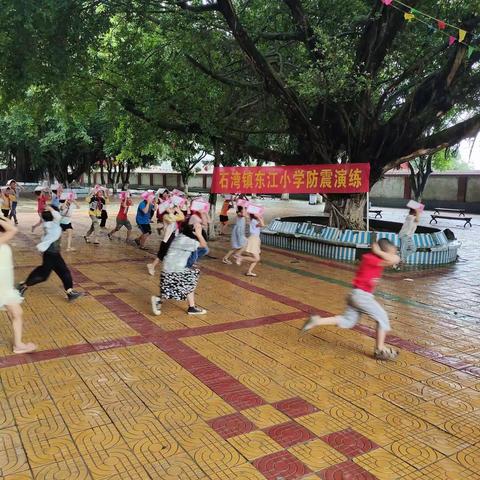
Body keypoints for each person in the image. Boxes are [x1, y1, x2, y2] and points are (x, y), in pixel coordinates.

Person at [301, 239, 400, 361]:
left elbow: (393, 258)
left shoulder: (371, 257)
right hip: (362, 296)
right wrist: (379, 252)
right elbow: (395, 260)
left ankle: (316, 321)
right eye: (390, 253)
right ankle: (379, 349)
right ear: (382, 252)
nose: (392, 255)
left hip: (355, 295)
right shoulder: (374, 259)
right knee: (382, 317)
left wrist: (379, 251)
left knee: (348, 321)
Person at [17, 207, 83, 302]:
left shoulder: (47, 224)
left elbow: (55, 215)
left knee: (64, 272)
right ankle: (23, 287)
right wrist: (49, 208)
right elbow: (57, 215)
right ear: (52, 216)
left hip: (53, 254)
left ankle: (70, 292)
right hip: (51, 254)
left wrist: (48, 210)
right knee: (44, 275)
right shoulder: (54, 225)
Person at [151, 223, 207, 316]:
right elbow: (203, 244)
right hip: (175, 270)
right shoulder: (186, 240)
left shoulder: (181, 236)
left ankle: (160, 301)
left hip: (169, 268)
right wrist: (199, 234)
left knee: (172, 287)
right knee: (189, 280)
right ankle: (159, 300)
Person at [0, 218, 37, 354]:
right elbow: (13, 229)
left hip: (5, 289)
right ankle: (18, 345)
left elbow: (9, 224)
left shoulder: (2, 240)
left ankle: (18, 345)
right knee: (16, 313)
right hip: (2, 289)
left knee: (16, 313)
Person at [147, 205, 185, 276]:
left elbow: (183, 218)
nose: (174, 209)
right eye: (172, 208)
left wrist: (179, 211)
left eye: (174, 208)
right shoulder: (166, 216)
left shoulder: (174, 215)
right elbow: (172, 220)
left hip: (173, 237)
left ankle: (153, 266)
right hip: (168, 239)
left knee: (165, 254)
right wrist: (171, 211)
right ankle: (152, 266)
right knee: (163, 254)